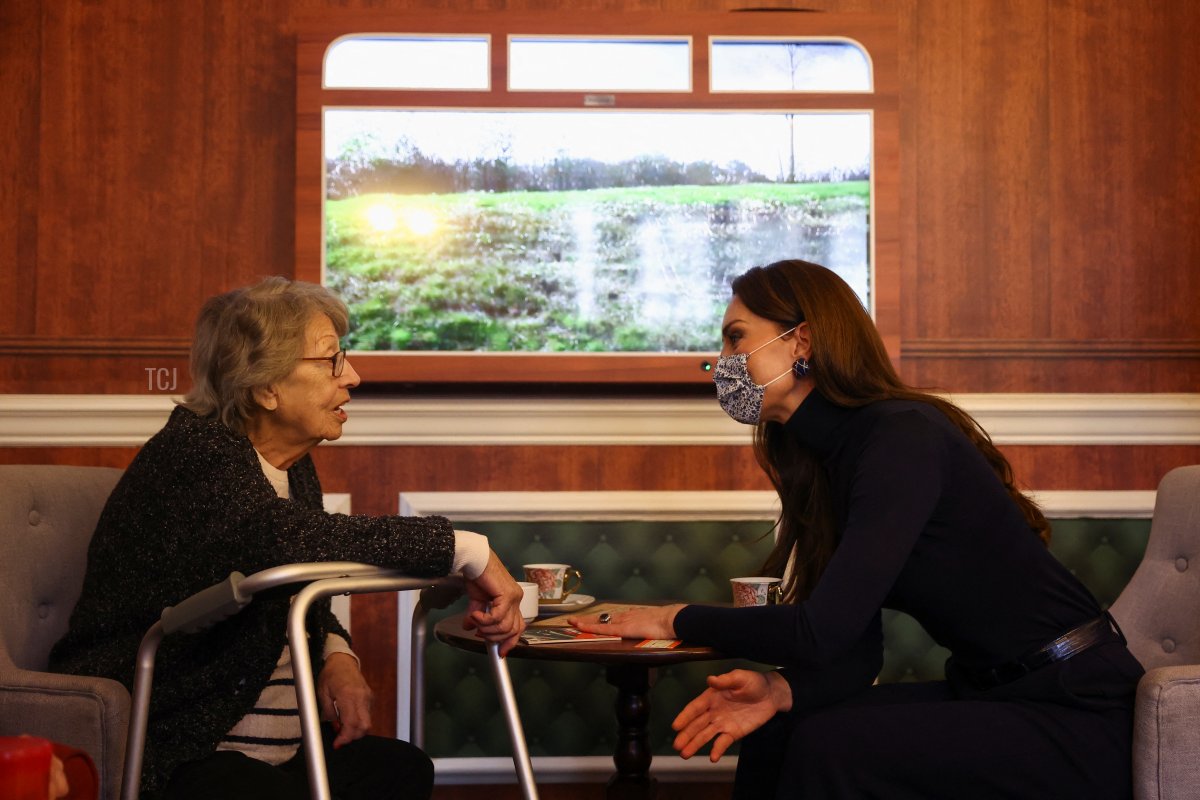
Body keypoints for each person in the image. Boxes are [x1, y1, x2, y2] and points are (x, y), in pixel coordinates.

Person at [573, 259, 1144, 799]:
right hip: (991, 691)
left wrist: (673, 617)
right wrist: (781, 690)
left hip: (1076, 707)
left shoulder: (900, 437)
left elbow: (819, 631)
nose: (721, 360)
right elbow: (854, 649)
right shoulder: (824, 459)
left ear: (801, 341)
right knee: (778, 728)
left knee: (828, 747)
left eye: (736, 338)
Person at [50, 277, 526, 800]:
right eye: (331, 362)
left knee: (402, 767)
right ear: (265, 387)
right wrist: (466, 548)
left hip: (275, 744)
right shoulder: (196, 451)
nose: (354, 378)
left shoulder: (289, 465)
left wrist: (336, 654)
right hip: (182, 739)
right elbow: (279, 539)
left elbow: (297, 573)